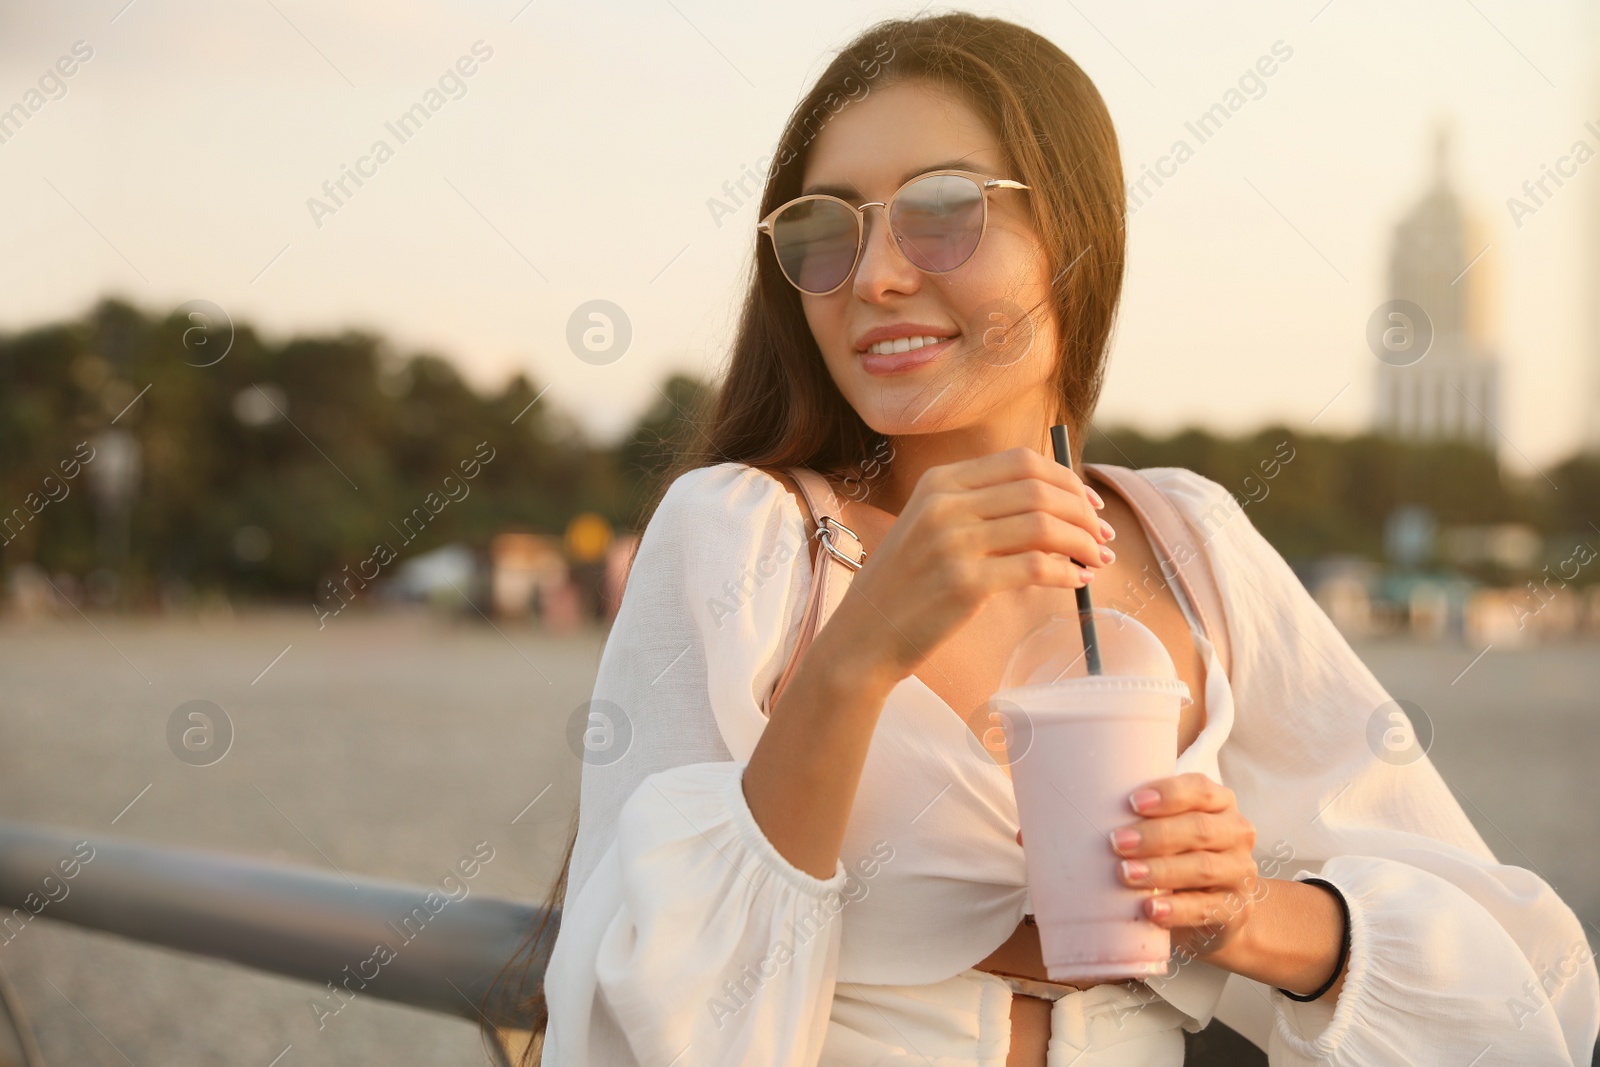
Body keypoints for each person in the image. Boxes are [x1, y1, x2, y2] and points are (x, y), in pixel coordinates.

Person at [492, 12, 1600, 1066]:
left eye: (941, 211)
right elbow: (651, 1022)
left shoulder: (1190, 543)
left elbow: (1514, 974)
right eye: (824, 228)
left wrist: (1252, 916)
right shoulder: (743, 535)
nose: (873, 275)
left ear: (1074, 232)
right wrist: (860, 651)